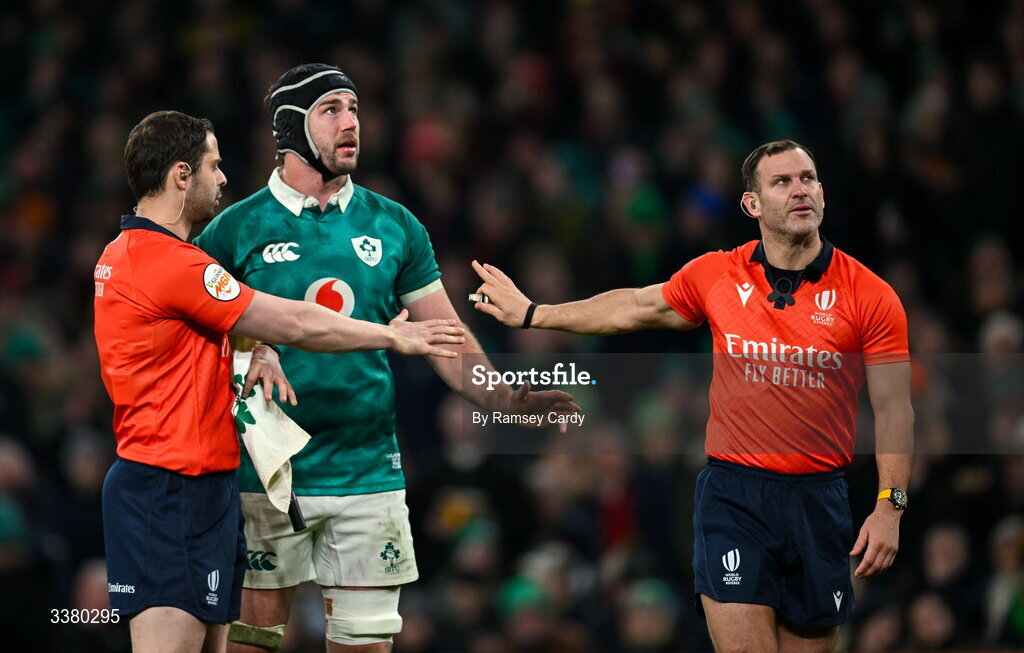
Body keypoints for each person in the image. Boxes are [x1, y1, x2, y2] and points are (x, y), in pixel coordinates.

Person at [472, 140, 914, 653]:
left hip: (820, 499)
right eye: (782, 182)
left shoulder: (871, 295)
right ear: (752, 204)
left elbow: (894, 408)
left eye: (808, 179)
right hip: (736, 493)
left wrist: (890, 505)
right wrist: (535, 314)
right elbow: (633, 307)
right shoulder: (717, 274)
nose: (800, 191)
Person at [192, 64, 577, 653]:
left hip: (368, 471)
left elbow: (444, 335)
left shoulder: (396, 226)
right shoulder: (231, 231)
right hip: (265, 474)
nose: (352, 123)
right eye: (332, 110)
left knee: (366, 645)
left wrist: (505, 399)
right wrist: (251, 345)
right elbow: (192, 337)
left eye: (354, 109)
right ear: (292, 128)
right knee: (254, 643)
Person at [94, 110, 463, 653]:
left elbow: (207, 335)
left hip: (204, 486)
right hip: (167, 487)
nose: (222, 179)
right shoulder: (169, 263)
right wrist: (390, 337)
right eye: (213, 167)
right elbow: (293, 319)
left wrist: (252, 347)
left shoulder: (130, 256)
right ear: (180, 175)